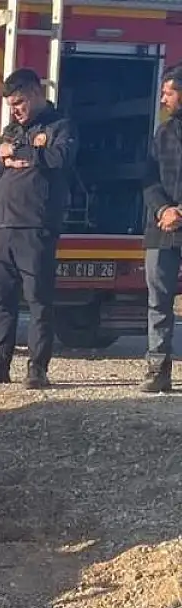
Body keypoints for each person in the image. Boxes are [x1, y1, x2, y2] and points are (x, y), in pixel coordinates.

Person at [0, 68, 77, 390]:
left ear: (36, 93)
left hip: (35, 227)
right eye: (11, 105)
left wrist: (23, 152)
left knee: (38, 301)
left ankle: (37, 369)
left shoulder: (60, 125)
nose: (14, 110)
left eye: (19, 103)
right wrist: (3, 159)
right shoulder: (11, 130)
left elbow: (60, 158)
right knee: (2, 301)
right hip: (2, 227)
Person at [140, 65, 182, 393]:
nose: (163, 99)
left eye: (169, 92)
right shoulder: (162, 133)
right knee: (158, 301)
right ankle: (158, 369)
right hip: (162, 228)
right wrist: (163, 209)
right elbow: (148, 178)